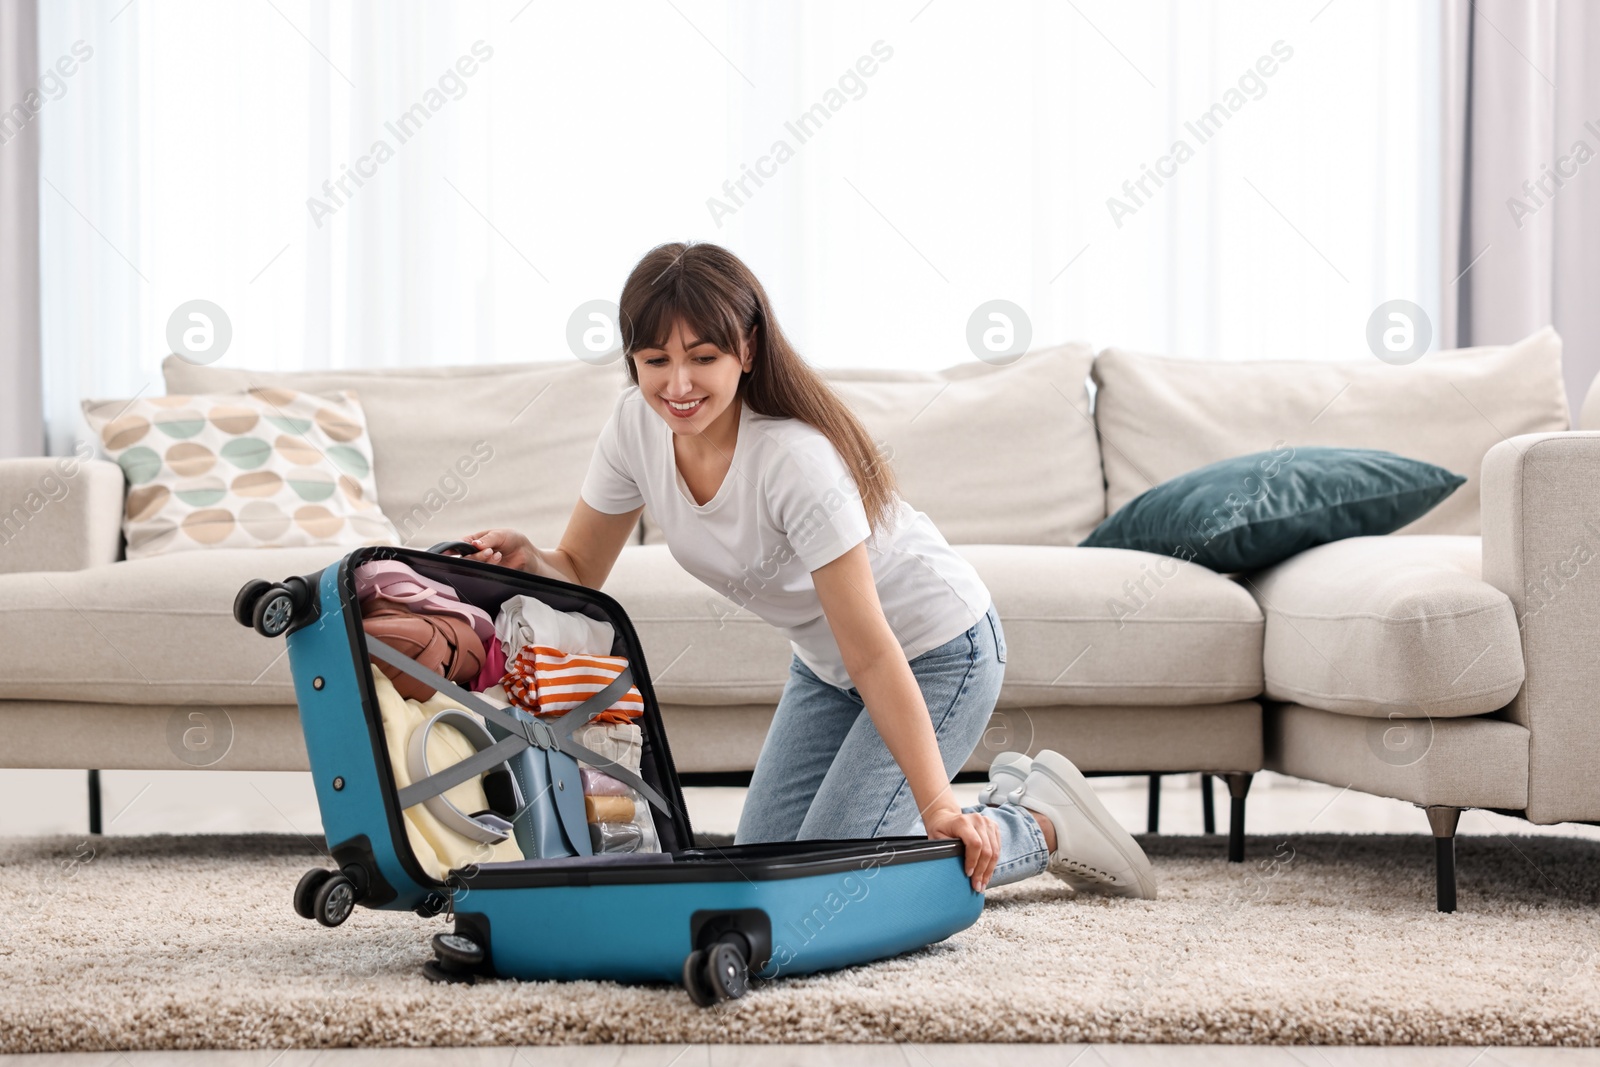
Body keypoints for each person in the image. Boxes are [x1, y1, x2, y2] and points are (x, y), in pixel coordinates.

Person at [462, 241, 1156, 898]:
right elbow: (581, 564)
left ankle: (1033, 821)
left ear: (747, 349)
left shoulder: (794, 460)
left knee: (829, 876)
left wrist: (938, 801)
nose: (677, 384)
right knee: (761, 870)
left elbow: (874, 649)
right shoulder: (633, 429)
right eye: (654, 360)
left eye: (702, 357)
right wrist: (534, 560)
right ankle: (985, 819)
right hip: (828, 668)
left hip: (935, 650)